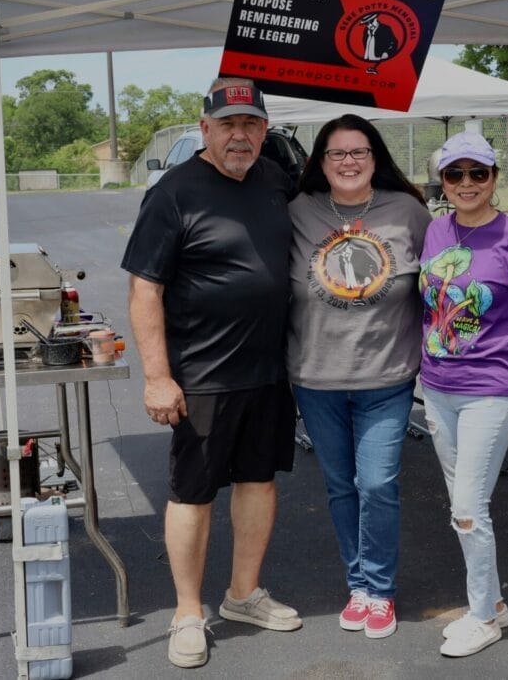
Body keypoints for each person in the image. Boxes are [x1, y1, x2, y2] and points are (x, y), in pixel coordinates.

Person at [120, 77, 301, 670]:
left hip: (268, 371)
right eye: (227, 125)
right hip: (200, 375)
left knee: (258, 482)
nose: (240, 136)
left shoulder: (275, 181)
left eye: (250, 125)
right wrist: (156, 376)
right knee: (192, 494)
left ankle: (243, 594)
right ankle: (188, 612)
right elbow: (145, 289)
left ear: (265, 130)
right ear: (204, 129)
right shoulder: (174, 193)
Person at [288, 114, 431, 639]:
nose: (349, 162)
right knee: (340, 488)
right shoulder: (297, 213)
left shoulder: (408, 211)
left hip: (386, 376)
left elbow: (444, 277)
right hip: (315, 376)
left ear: (376, 158)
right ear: (319, 163)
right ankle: (359, 587)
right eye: (337, 153)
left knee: (377, 483)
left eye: (359, 152)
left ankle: (380, 589)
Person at [418, 131, 508, 657]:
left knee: (468, 508)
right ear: (443, 182)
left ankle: (483, 616)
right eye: (455, 174)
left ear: (495, 178)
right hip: (437, 388)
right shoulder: (435, 233)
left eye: (478, 173)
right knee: (463, 503)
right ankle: (492, 601)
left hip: (490, 392)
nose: (466, 183)